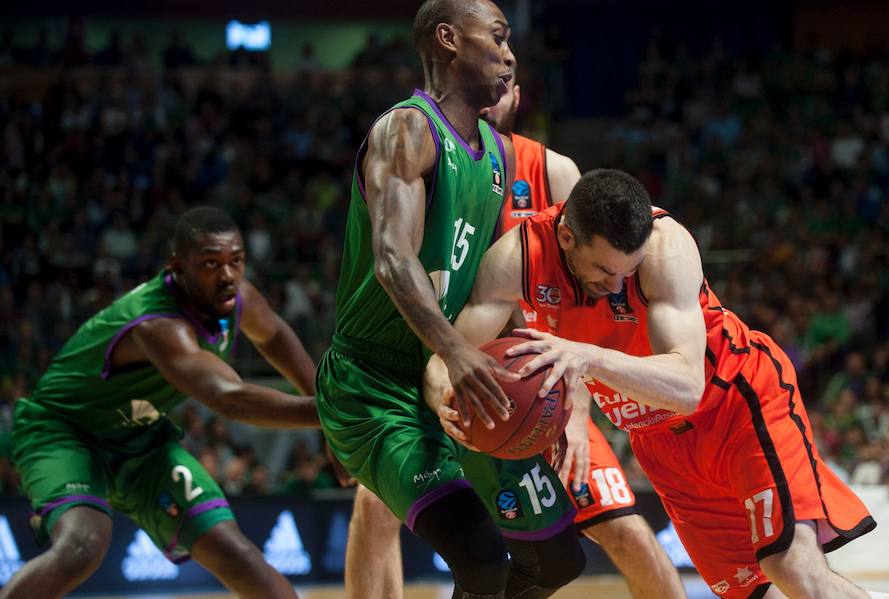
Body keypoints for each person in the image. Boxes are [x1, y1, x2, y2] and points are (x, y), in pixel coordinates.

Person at [428, 169, 876, 599]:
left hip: (736, 405)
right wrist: (443, 400)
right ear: (566, 237)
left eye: (628, 270)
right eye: (604, 270)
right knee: (753, 590)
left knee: (789, 565)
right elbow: (448, 356)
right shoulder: (518, 258)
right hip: (658, 441)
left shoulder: (666, 249)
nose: (617, 284)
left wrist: (585, 355)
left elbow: (686, 387)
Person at [350, 70, 686, 599]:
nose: (487, 100)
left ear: (517, 98)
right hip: (446, 368)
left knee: (625, 532)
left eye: (500, 86)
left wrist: (576, 409)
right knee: (374, 505)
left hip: (541, 389)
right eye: (476, 89)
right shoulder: (432, 163)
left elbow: (589, 293)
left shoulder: (553, 169)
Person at [315, 2, 585, 598]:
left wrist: (544, 397)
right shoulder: (407, 130)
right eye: (497, 37)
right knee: (482, 559)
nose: (510, 54)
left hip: (456, 375)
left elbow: (495, 287)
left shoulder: (498, 154)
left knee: (558, 560)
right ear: (448, 39)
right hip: (375, 385)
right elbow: (393, 259)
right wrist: (456, 352)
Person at [4, 207, 319, 599]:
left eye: (236, 261)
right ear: (178, 268)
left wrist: (319, 401)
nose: (227, 275)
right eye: (210, 263)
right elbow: (230, 399)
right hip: (65, 433)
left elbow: (273, 336)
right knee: (83, 544)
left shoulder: (236, 296)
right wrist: (333, 414)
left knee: (238, 555)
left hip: (142, 440)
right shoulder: (157, 324)